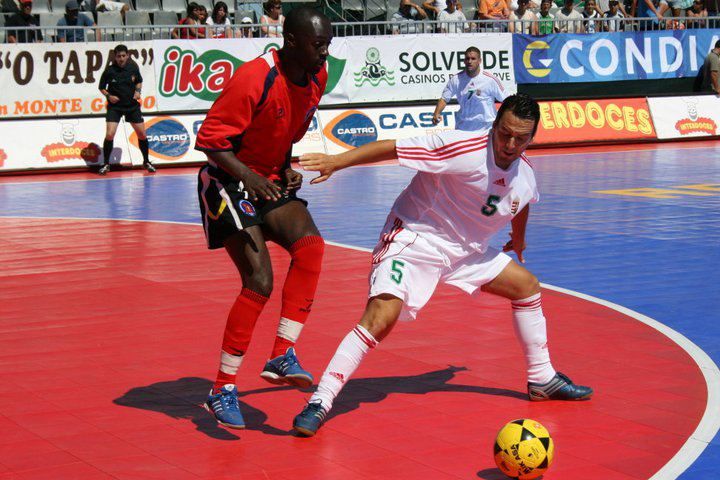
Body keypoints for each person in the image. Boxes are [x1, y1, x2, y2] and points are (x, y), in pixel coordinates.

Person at [292, 94, 593, 436]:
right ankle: (321, 400)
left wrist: (518, 239)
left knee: (526, 286)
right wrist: (337, 161)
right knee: (381, 317)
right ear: (494, 126)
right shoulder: (461, 147)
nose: (510, 144)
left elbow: (521, 202)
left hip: (465, 251)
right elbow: (394, 147)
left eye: (520, 138)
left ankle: (542, 379)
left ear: (532, 137)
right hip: (416, 238)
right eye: (505, 133)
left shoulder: (525, 173)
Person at [193, 6, 331, 430]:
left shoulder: (316, 78)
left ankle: (281, 353)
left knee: (311, 247)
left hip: (266, 178)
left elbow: (283, 130)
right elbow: (211, 142)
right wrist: (251, 177)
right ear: (291, 40)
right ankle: (222, 388)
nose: (325, 51)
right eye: (318, 43)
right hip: (224, 180)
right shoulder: (255, 76)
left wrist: (285, 165)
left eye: (328, 42)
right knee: (260, 281)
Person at [97, 44, 154, 175]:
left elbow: (139, 81)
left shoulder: (133, 67)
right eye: (118, 56)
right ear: (115, 57)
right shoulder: (109, 71)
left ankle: (146, 161)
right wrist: (109, 96)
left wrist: (138, 91)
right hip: (115, 107)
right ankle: (106, 164)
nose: (121, 58)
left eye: (123, 56)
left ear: (127, 55)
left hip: (132, 106)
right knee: (110, 134)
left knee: (142, 134)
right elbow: (101, 87)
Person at [432, 46, 508, 132]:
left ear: (479, 61)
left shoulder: (490, 80)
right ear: (464, 61)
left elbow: (506, 100)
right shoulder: (456, 79)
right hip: (464, 126)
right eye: (467, 59)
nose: (470, 61)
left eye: (473, 59)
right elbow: (444, 99)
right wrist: (436, 113)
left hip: (486, 127)